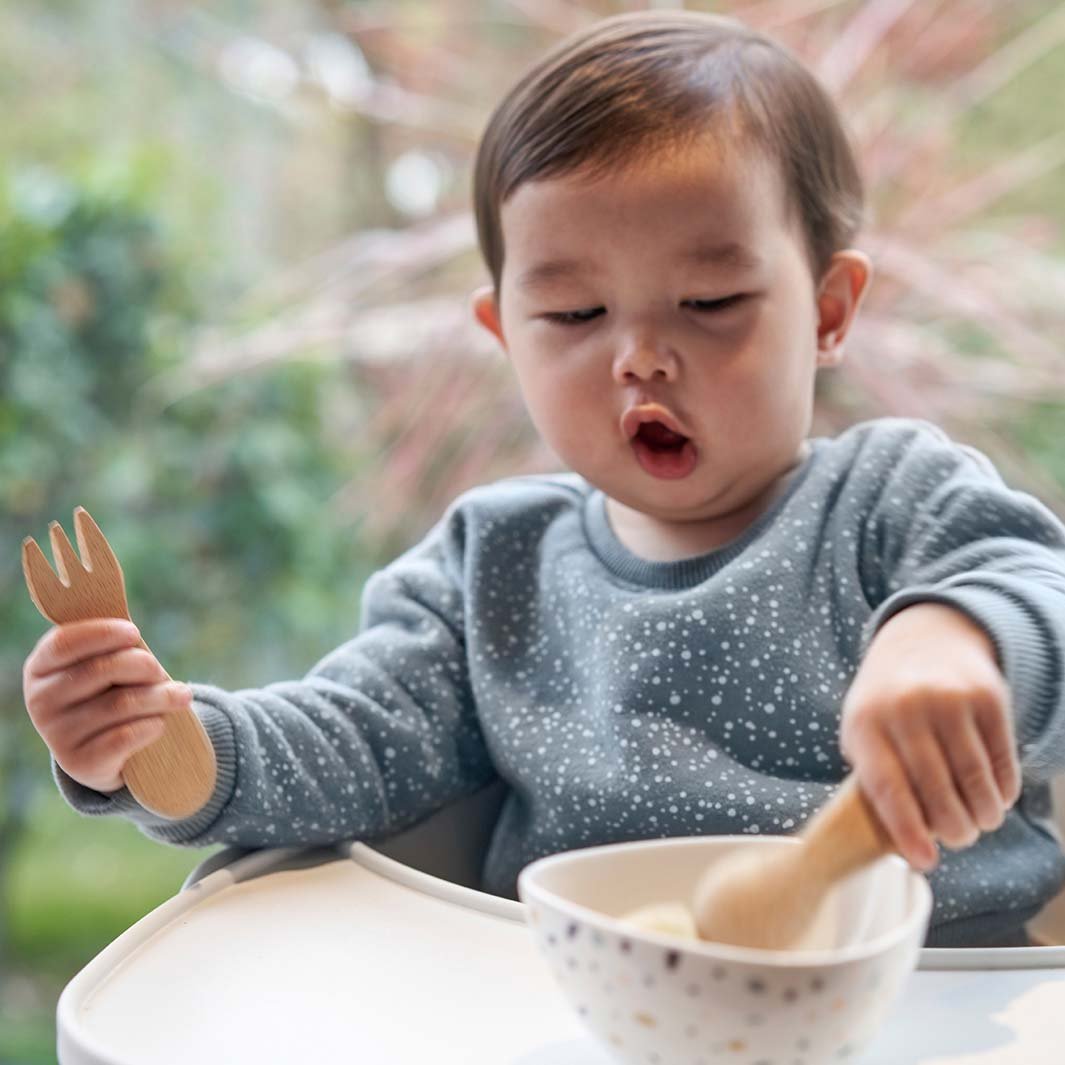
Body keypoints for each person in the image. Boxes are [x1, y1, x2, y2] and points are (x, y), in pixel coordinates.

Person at [21, 10, 1065, 948]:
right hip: (577, 1005)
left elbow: (1029, 588)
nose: (640, 357)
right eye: (574, 316)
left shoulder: (891, 495)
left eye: (709, 301)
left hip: (937, 988)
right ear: (505, 335)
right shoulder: (495, 562)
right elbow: (353, 744)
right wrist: (161, 743)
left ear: (830, 310)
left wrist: (956, 637)